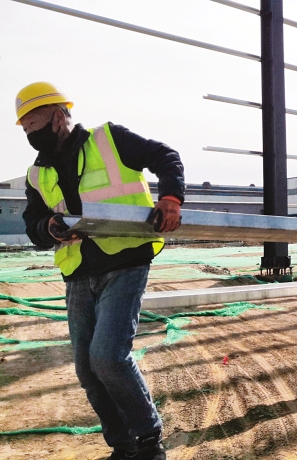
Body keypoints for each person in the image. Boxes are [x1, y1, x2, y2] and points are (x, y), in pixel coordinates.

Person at [16, 82, 185, 460]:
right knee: (88, 369)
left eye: (35, 123)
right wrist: (48, 228)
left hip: (125, 260)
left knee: (108, 356)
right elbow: (33, 223)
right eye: (24, 128)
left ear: (59, 117)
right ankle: (123, 446)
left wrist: (171, 199)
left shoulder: (109, 139)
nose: (30, 133)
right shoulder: (36, 173)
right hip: (78, 272)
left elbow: (165, 156)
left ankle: (149, 441)